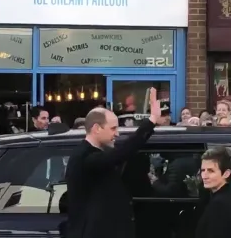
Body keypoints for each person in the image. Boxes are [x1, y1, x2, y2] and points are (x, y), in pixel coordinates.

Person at [65, 87, 161, 238]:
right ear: (96, 128)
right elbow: (121, 153)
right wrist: (151, 121)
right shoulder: (85, 157)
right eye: (113, 128)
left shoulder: (95, 153)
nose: (117, 133)